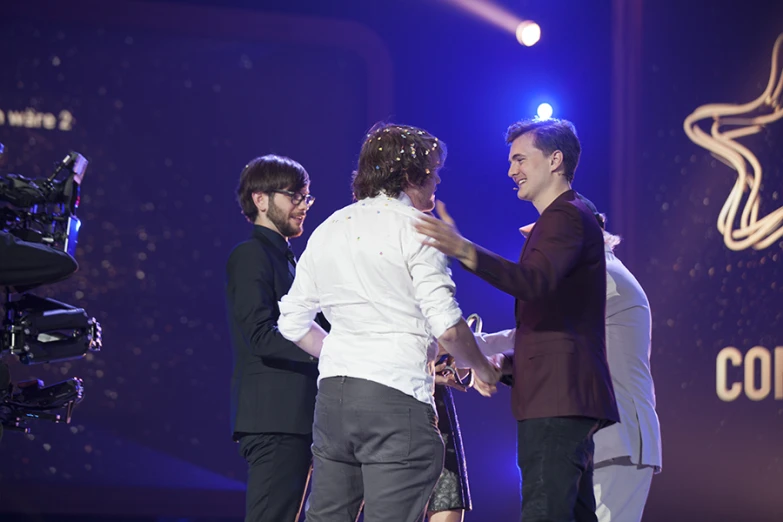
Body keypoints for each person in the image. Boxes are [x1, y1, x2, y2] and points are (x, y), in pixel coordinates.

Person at [277, 122, 500, 522]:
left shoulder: (329, 228)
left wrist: (349, 355)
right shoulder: (418, 229)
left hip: (334, 402)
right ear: (411, 176)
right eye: (433, 173)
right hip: (395, 403)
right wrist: (482, 368)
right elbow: (447, 326)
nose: (436, 184)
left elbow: (293, 323)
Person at [415, 118, 619, 522]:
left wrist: (463, 249)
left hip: (558, 398)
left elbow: (533, 283)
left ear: (555, 160)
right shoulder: (569, 216)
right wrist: (509, 366)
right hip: (564, 395)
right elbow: (556, 316)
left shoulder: (565, 216)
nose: (512, 171)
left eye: (521, 159)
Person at [225, 155, 329, 522]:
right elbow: (260, 335)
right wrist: (331, 352)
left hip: (294, 418)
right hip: (275, 419)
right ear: (260, 199)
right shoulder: (251, 254)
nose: (303, 206)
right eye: (295, 196)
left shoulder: (287, 259)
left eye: (307, 197)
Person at [593, 226, 662, 522]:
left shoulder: (606, 276)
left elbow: (547, 334)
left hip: (620, 443)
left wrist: (477, 347)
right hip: (606, 444)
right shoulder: (600, 275)